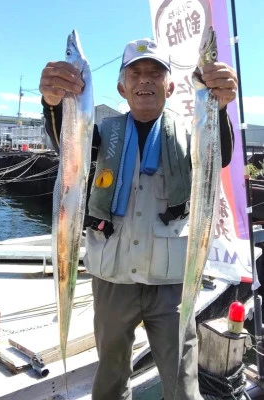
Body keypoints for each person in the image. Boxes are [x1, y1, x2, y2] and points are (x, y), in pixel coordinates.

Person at [39, 37, 237, 400]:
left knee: (182, 384)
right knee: (111, 379)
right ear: (121, 87)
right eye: (136, 73)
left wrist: (219, 107)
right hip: (112, 278)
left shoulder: (190, 133)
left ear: (170, 86)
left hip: (172, 283)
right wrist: (54, 102)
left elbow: (217, 155)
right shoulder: (100, 134)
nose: (145, 80)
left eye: (155, 73)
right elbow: (68, 144)